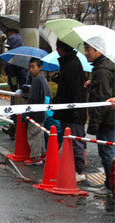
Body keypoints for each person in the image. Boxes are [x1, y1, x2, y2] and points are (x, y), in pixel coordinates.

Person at [52, 39, 88, 182]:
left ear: (61, 49)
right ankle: (73, 169)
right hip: (70, 110)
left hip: (73, 111)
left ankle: (79, 170)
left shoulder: (72, 65)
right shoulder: (70, 63)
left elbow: (72, 90)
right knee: (71, 140)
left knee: (75, 140)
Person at [84, 42, 115, 195]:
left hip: (107, 120)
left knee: (107, 153)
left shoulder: (102, 70)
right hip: (110, 118)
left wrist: (94, 125)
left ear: (99, 50)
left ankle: (110, 186)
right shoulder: (105, 67)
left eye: (89, 49)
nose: (86, 53)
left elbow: (102, 98)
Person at [2, 29, 28, 140]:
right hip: (21, 85)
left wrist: (8, 65)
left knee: (18, 109)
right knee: (17, 109)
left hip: (21, 87)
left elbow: (11, 71)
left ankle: (15, 130)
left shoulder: (17, 57)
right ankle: (13, 129)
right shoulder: (23, 54)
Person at [21, 58, 48, 165]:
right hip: (41, 111)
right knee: (39, 133)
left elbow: (33, 98)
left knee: (33, 135)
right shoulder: (41, 78)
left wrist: (26, 113)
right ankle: (42, 153)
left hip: (35, 112)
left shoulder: (37, 80)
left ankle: (36, 157)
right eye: (30, 67)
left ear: (40, 67)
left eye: (33, 67)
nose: (31, 70)